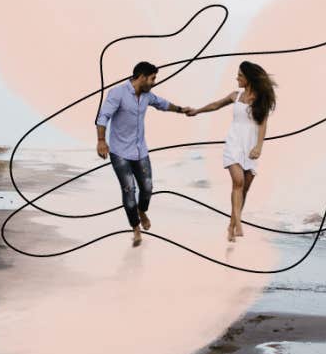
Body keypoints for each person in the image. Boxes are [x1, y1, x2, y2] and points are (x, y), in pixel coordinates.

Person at [95, 61, 191, 246]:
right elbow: (103, 116)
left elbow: (162, 104)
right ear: (142, 77)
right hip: (120, 152)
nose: (154, 82)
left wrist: (181, 110)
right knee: (129, 189)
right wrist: (101, 140)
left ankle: (142, 210)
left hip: (140, 150)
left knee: (147, 188)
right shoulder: (118, 93)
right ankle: (136, 229)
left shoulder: (147, 95)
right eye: (153, 78)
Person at [186, 61, 276, 242]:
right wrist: (197, 111)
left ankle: (231, 225)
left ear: (249, 78)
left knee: (245, 189)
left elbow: (263, 124)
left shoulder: (261, 99)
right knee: (238, 181)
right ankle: (239, 224)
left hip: (250, 147)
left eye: (240, 75)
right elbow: (215, 105)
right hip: (233, 143)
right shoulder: (235, 95)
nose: (237, 78)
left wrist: (259, 147)